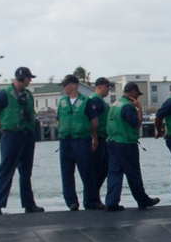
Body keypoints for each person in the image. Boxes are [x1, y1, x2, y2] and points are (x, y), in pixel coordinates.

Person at [0, 66, 44, 215]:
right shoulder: (4, 94)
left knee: (26, 172)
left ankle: (29, 204)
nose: (30, 80)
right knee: (6, 169)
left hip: (27, 135)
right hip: (11, 135)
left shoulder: (28, 95)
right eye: (28, 78)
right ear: (21, 78)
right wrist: (2, 128)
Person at [105, 82, 159, 212]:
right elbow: (136, 124)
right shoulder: (128, 107)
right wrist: (139, 108)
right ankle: (142, 200)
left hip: (113, 142)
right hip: (126, 143)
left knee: (114, 172)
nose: (138, 97)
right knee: (133, 173)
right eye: (137, 94)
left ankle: (111, 202)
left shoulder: (116, 104)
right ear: (133, 91)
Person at [56, 74, 102, 210]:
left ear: (74, 85)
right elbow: (59, 118)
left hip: (81, 139)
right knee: (66, 172)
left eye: (66, 85)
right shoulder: (62, 102)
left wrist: (94, 137)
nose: (64, 88)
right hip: (65, 140)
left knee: (87, 171)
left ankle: (91, 200)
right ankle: (71, 201)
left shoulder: (86, 101)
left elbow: (94, 122)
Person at [90, 77, 111, 197]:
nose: (109, 89)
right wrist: (94, 137)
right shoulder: (96, 101)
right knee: (99, 168)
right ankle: (93, 195)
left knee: (104, 167)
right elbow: (92, 119)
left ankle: (94, 194)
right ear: (99, 87)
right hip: (98, 137)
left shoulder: (99, 100)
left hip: (102, 136)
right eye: (107, 87)